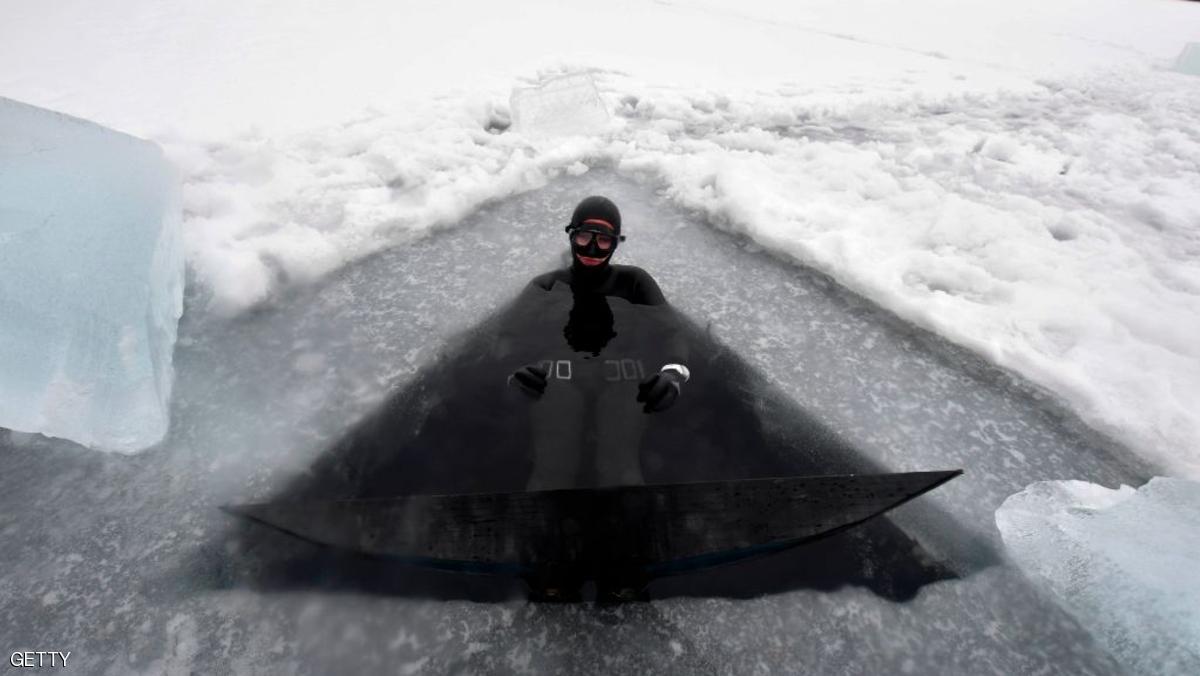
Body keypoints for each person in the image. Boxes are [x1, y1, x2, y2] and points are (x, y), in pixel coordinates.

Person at [506, 196, 691, 491]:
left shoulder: (634, 282)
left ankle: (630, 517)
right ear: (571, 234)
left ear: (616, 243)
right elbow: (507, 338)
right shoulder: (546, 286)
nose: (592, 249)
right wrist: (515, 372)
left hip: (622, 384)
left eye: (604, 240)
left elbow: (673, 333)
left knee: (621, 472)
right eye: (584, 237)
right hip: (558, 382)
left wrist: (673, 373)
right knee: (552, 470)